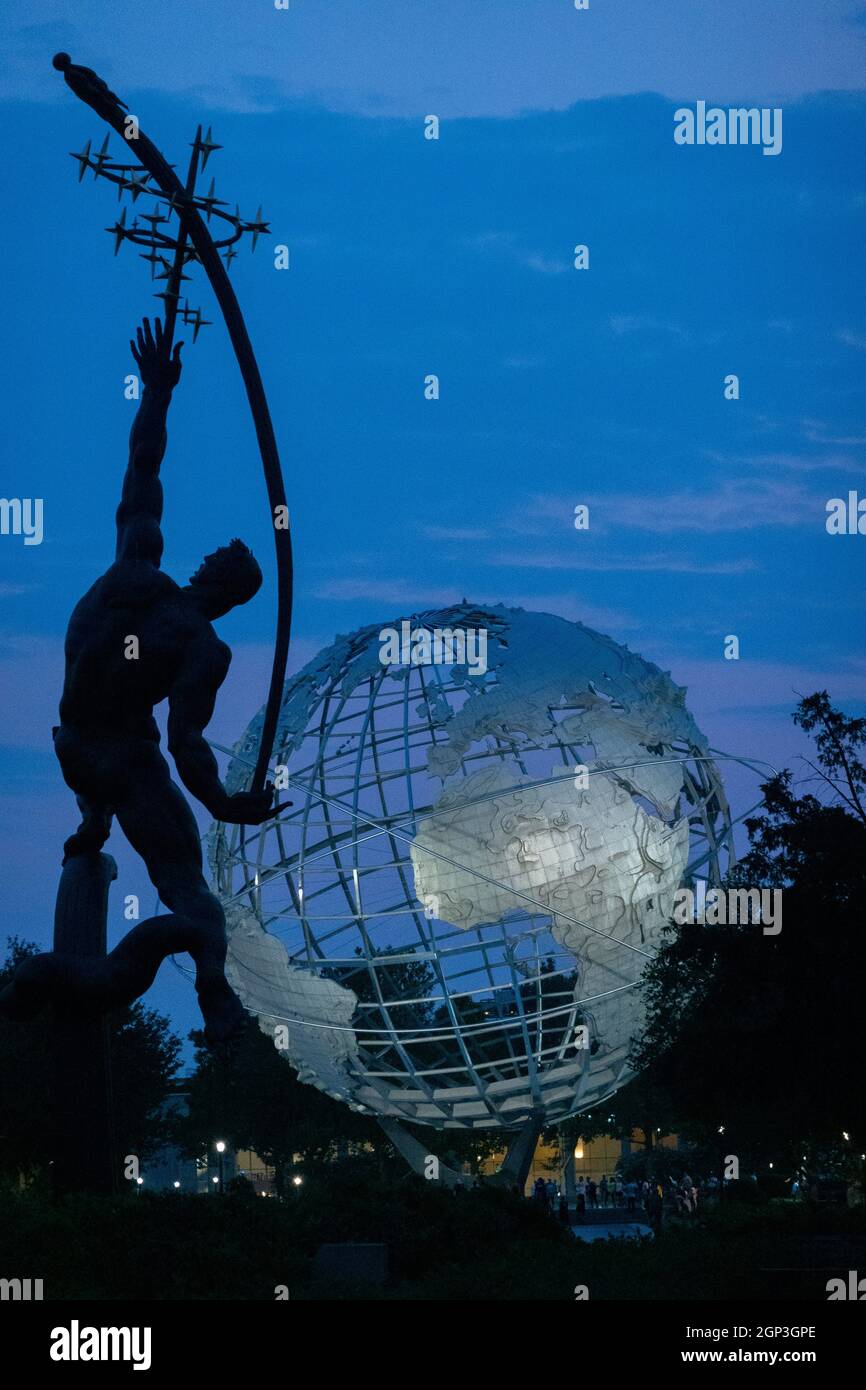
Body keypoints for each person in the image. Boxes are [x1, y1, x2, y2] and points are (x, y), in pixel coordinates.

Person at [0, 319, 275, 1045]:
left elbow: (143, 471)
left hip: (85, 746)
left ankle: (93, 831)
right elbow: (186, 749)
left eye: (222, 561)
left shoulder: (145, 578)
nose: (211, 558)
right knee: (200, 910)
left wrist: (157, 390)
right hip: (114, 754)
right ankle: (211, 992)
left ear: (221, 582)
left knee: (185, 885)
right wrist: (225, 806)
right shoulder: (178, 620)